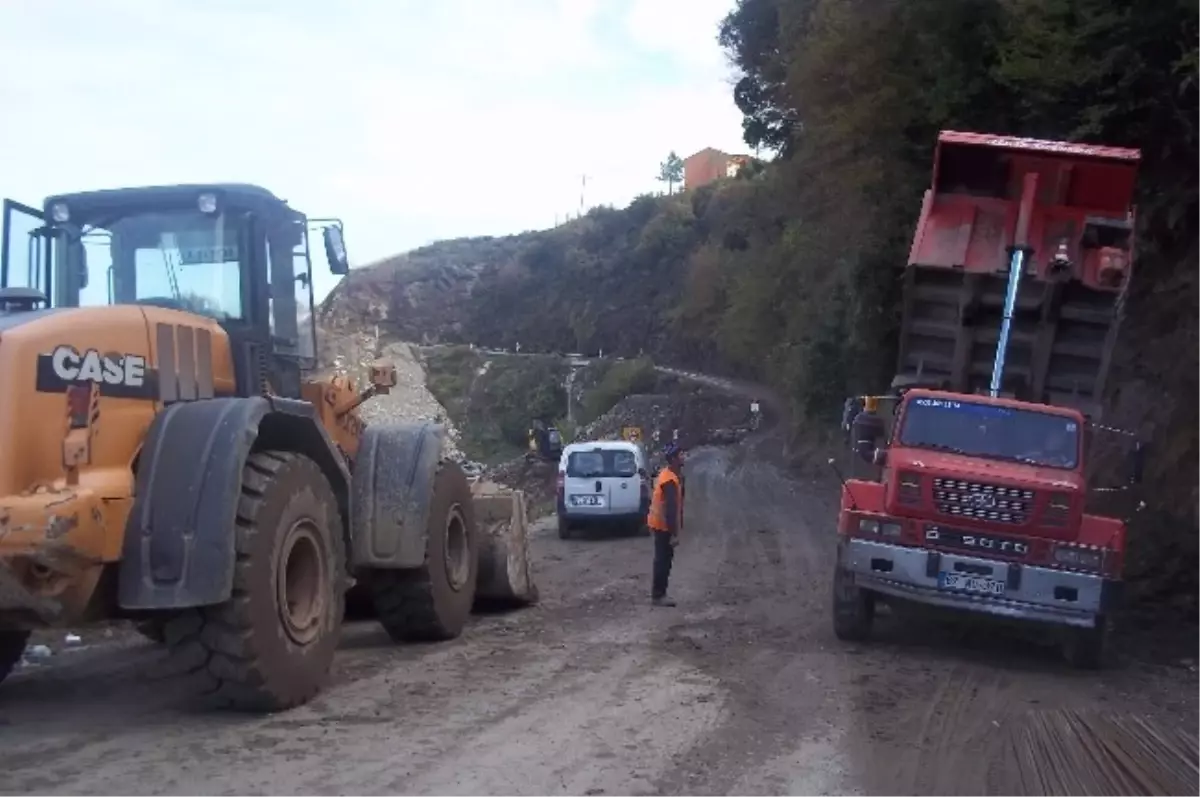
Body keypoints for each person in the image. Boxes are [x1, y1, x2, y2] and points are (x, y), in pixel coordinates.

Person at [647, 443, 685, 606]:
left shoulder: (666, 475)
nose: (683, 457)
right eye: (680, 455)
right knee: (663, 561)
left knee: (661, 559)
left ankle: (658, 593)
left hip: (658, 524)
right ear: (673, 459)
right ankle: (659, 595)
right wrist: (673, 534)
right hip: (663, 526)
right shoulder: (669, 480)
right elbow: (670, 509)